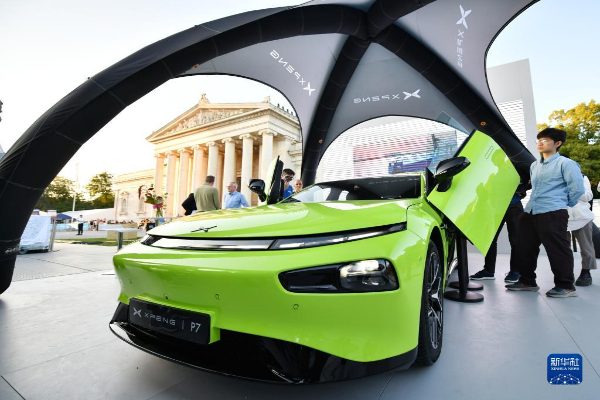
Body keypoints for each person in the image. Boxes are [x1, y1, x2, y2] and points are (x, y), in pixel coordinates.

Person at [506, 128, 585, 298]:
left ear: (558, 143)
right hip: (531, 211)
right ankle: (527, 281)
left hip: (553, 211)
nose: (540, 143)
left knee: (557, 249)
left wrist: (562, 203)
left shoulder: (566, 163)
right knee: (524, 247)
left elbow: (577, 189)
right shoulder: (535, 165)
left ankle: (566, 286)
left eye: (546, 140)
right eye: (539, 140)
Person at [470, 188, 525, 283]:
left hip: (513, 205)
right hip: (495, 205)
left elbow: (529, 181)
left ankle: (515, 271)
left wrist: (521, 188)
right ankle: (488, 271)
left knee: (516, 241)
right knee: (490, 239)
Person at [568, 174, 596, 286]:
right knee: (562, 248)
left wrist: (575, 191)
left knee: (586, 247)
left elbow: (588, 196)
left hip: (582, 217)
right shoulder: (555, 177)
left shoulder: (582, 177)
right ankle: (566, 273)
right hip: (561, 217)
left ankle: (586, 272)